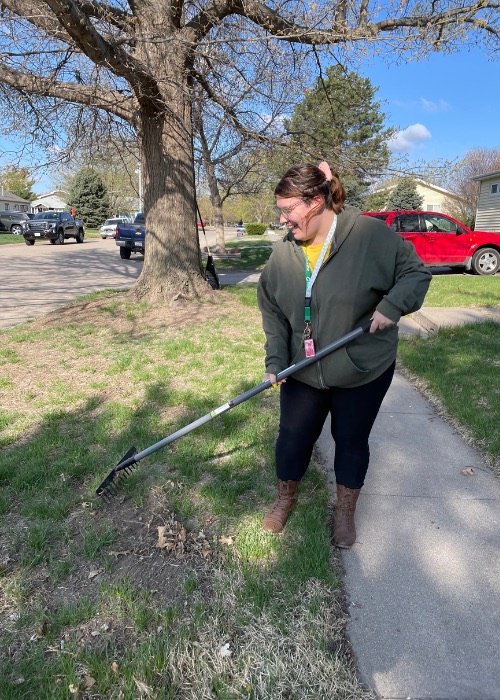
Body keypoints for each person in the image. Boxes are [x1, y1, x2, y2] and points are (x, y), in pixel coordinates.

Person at [257, 162, 432, 547]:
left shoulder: (369, 235)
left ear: (316, 202)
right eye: (280, 210)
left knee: (350, 439)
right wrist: (275, 363)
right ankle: (285, 499)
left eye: (288, 210)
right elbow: (272, 311)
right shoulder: (284, 253)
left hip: (360, 368)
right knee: (292, 437)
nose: (283, 219)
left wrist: (393, 305)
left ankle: (345, 511)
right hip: (303, 370)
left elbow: (416, 274)